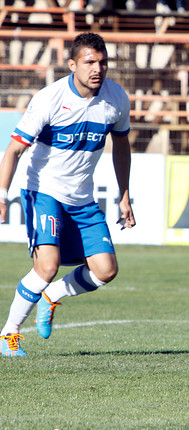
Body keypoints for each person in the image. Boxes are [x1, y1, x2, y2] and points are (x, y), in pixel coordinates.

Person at [0, 33, 135, 357]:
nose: (97, 69)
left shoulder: (116, 98)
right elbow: (15, 150)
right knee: (47, 266)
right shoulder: (50, 98)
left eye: (103, 62)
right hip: (44, 190)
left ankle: (52, 296)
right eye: (90, 62)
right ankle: (8, 334)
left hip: (82, 198)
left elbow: (122, 146)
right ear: (73, 64)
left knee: (105, 270)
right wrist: (2, 195)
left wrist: (125, 195)